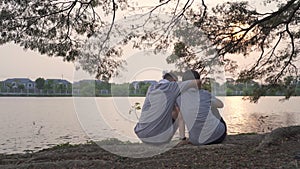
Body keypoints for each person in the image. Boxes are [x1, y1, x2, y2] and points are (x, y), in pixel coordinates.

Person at [134, 72, 199, 144]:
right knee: (178, 113)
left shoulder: (151, 88)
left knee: (173, 111)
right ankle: (182, 138)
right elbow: (197, 82)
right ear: (174, 80)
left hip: (141, 133)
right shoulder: (172, 86)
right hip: (157, 138)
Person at [176, 70, 227, 145]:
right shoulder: (205, 94)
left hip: (196, 141)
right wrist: (208, 102)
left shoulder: (179, 98)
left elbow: (181, 119)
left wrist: (182, 138)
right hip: (217, 137)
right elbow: (221, 105)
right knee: (213, 108)